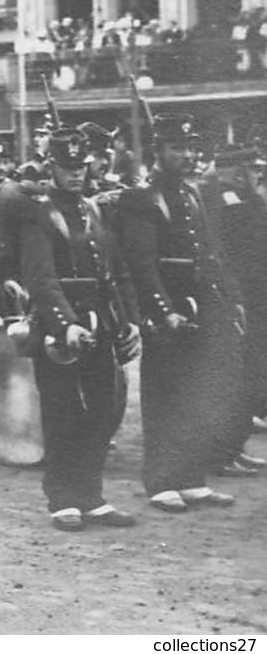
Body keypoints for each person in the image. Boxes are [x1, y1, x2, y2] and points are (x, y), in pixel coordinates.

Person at [119, 115, 246, 512]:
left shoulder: (190, 195)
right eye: (178, 148)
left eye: (191, 148)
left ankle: (191, 477)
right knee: (164, 395)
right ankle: (161, 480)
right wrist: (163, 311)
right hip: (166, 309)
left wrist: (230, 298)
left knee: (196, 392)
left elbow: (208, 253)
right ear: (158, 151)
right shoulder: (141, 197)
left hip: (199, 305)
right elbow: (142, 263)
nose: (187, 155)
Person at [16, 131, 142, 529]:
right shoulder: (37, 212)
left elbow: (116, 271)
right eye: (66, 167)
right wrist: (65, 323)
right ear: (50, 166)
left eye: (79, 167)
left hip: (100, 318)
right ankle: (63, 497)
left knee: (105, 407)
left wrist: (130, 319)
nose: (74, 174)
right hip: (59, 324)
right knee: (63, 409)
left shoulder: (93, 208)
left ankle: (91, 493)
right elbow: (40, 277)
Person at [196, 142, 267, 476]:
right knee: (239, 377)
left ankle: (232, 449)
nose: (258, 175)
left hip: (252, 299)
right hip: (243, 300)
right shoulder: (229, 202)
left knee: (250, 375)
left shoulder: (241, 200)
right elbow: (239, 257)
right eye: (255, 169)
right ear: (239, 172)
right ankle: (222, 453)